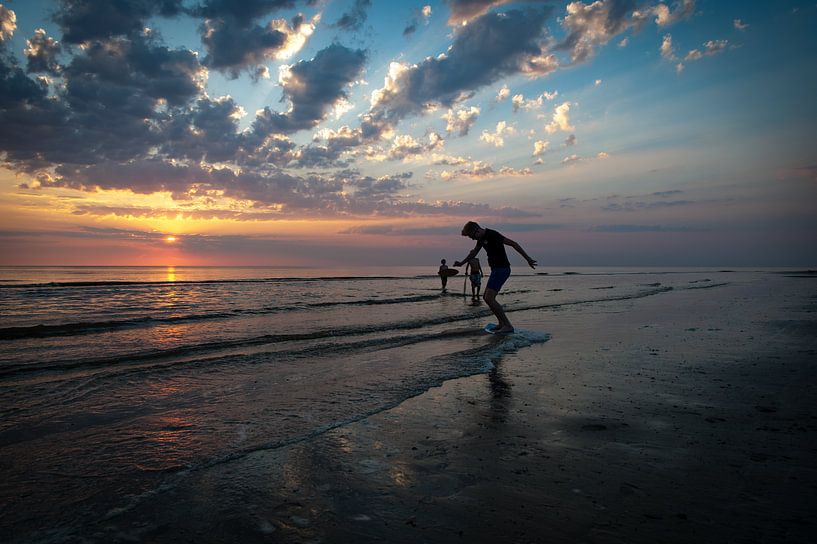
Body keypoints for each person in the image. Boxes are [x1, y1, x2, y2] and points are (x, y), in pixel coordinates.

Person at [454, 221, 536, 334]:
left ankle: (508, 325)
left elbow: (514, 244)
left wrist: (528, 259)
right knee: (486, 297)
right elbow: (473, 253)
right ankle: (502, 323)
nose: (473, 239)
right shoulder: (480, 239)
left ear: (477, 230)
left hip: (502, 269)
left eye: (472, 236)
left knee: (489, 298)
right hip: (495, 270)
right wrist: (461, 263)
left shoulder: (493, 234)